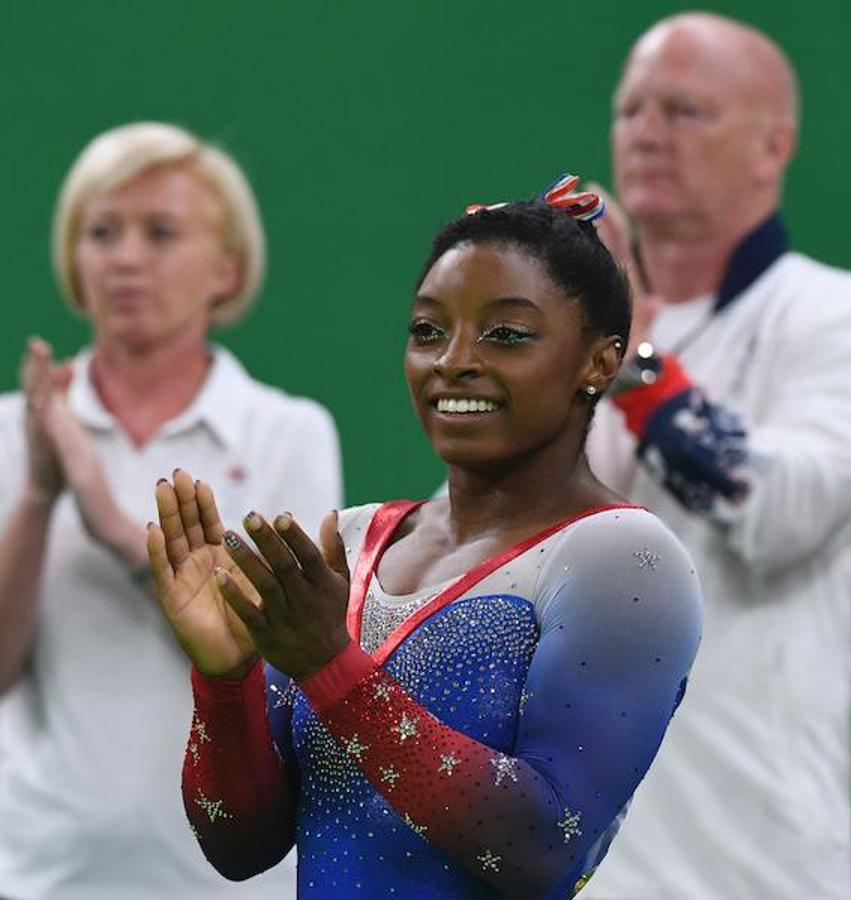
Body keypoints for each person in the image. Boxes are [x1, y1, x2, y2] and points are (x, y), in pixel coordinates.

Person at [146, 181, 703, 898]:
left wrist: (330, 666)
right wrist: (225, 683)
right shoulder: (349, 542)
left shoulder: (624, 560)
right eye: (428, 330)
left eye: (505, 334)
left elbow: (539, 851)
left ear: (598, 362)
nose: (454, 360)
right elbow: (241, 845)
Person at [577, 12, 851, 899]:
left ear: (773, 146)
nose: (647, 133)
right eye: (631, 111)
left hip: (750, 866)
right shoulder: (571, 340)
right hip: (564, 859)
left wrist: (637, 366)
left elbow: (777, 510)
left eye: (684, 111)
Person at [0, 122, 341, 899]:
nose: (125, 258)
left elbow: (291, 662)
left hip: (228, 879)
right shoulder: (12, 431)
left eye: (161, 233)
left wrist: (112, 526)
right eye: (102, 231)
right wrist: (38, 494)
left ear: (225, 270)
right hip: (39, 875)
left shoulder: (288, 431)